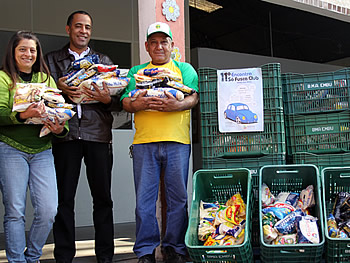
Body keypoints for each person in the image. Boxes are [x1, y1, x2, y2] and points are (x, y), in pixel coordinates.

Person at [45, 10, 120, 263]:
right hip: (65, 136)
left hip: (98, 136)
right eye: (78, 26)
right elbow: (42, 94)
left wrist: (106, 97)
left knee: (103, 199)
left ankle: (106, 257)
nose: (83, 31)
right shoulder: (52, 60)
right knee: (63, 199)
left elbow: (118, 101)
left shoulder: (103, 60)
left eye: (88, 27)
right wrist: (59, 88)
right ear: (68, 29)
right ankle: (64, 257)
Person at [121, 22, 199, 263]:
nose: (159, 46)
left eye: (163, 41)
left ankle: (174, 247)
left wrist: (178, 104)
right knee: (144, 200)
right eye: (153, 42)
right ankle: (145, 251)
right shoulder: (137, 71)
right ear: (146, 46)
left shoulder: (184, 70)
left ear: (172, 45)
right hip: (144, 143)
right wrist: (138, 104)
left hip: (178, 142)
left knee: (178, 199)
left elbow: (193, 96)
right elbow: (125, 101)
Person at [0, 31, 68, 263]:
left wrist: (60, 128)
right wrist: (23, 115)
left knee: (49, 210)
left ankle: (32, 256)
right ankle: (17, 260)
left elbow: (59, 111)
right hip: (11, 149)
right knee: (15, 212)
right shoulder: (3, 78)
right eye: (23, 49)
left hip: (42, 150)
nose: (28, 54)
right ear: (13, 52)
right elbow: (0, 113)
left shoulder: (46, 79)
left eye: (32, 50)